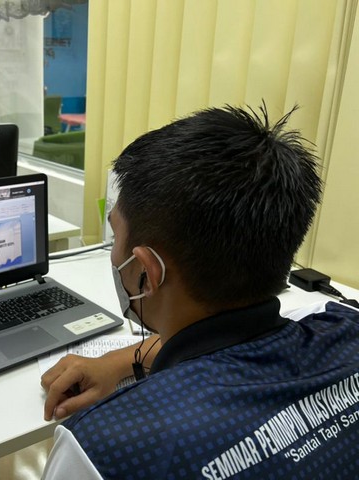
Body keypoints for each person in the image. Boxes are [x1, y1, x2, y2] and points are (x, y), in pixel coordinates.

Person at [40, 104, 359, 479]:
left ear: (147, 271)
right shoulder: (344, 324)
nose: (113, 253)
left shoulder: (103, 449)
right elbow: (230, 332)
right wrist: (119, 362)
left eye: (115, 235)